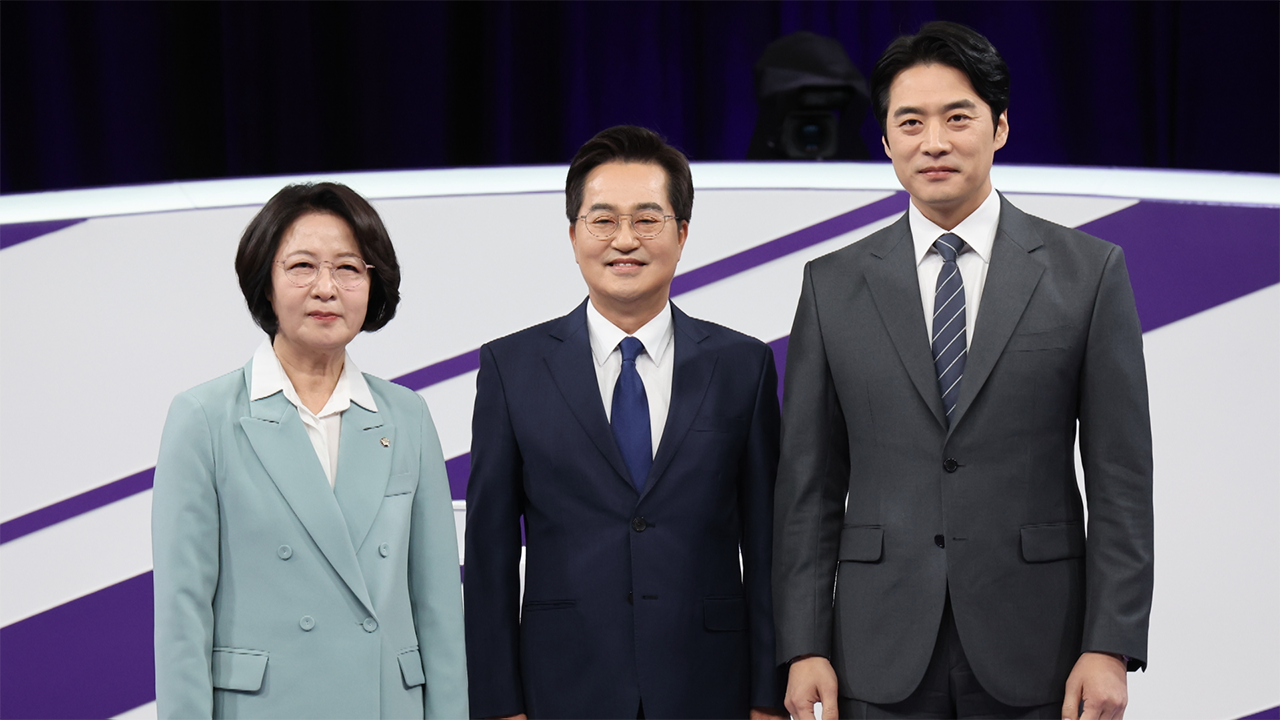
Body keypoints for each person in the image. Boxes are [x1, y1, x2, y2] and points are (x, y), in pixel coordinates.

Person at [773, 21, 1154, 720]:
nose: (934, 142)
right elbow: (809, 487)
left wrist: (1110, 644)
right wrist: (803, 645)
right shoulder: (831, 284)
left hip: (1040, 642)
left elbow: (1121, 479)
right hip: (875, 646)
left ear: (1000, 127)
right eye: (910, 122)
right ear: (886, 142)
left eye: (958, 118)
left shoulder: (1089, 272)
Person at [463, 125, 787, 720]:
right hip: (561, 686)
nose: (625, 240)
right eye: (603, 220)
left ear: (682, 234)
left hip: (710, 684)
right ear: (573, 235)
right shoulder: (512, 368)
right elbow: (489, 553)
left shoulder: (743, 365)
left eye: (647, 219)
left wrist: (769, 694)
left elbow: (768, 546)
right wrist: (498, 702)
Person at [152, 182, 468, 719]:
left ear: (373, 283)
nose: (326, 288)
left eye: (348, 268)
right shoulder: (204, 417)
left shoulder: (406, 416)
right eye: (302, 266)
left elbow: (439, 607)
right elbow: (182, 616)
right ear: (266, 281)